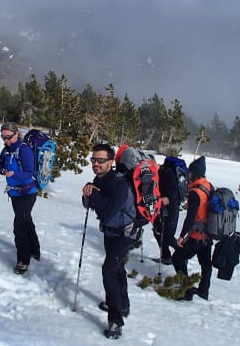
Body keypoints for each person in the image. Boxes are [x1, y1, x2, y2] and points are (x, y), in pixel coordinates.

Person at [82, 144, 137, 340]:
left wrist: (94, 194)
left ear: (111, 162)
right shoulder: (100, 179)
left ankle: (115, 321)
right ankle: (123, 304)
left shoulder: (119, 185)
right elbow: (91, 205)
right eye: (93, 160)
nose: (96, 164)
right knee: (117, 268)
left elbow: (106, 214)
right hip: (111, 232)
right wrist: (87, 193)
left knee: (109, 271)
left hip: (124, 234)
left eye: (100, 160)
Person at [0, 122, 40, 275]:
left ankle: (23, 260)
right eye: (3, 138)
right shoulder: (7, 150)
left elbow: (29, 172)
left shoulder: (24, 150)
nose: (6, 141)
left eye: (8, 137)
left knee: (19, 227)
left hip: (27, 192)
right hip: (14, 193)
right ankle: (35, 250)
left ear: (16, 134)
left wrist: (14, 174)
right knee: (26, 220)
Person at [172, 156, 212, 300]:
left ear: (194, 173)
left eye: (190, 172)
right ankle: (203, 290)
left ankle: (186, 291)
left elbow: (190, 218)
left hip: (196, 236)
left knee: (177, 258)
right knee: (206, 264)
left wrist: (182, 236)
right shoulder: (208, 186)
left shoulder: (196, 192)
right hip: (208, 234)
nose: (188, 174)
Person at [152, 158, 181, 264]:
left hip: (171, 208)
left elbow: (172, 194)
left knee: (167, 235)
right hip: (161, 206)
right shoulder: (159, 173)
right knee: (157, 231)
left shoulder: (168, 174)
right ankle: (166, 256)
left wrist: (165, 198)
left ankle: (183, 253)